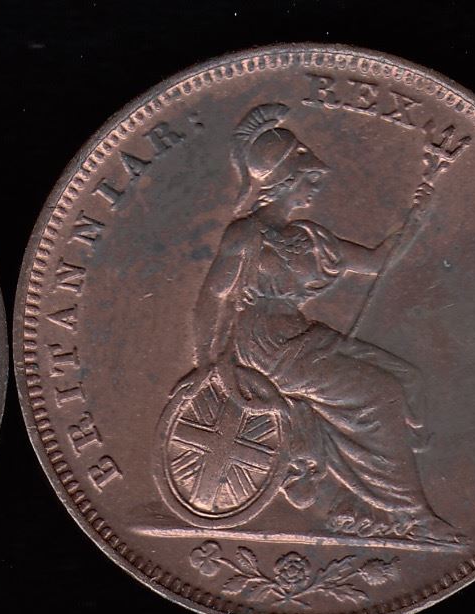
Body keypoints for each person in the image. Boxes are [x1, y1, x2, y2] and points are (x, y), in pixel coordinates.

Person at [186, 103, 456, 543]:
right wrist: (210, 364)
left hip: (301, 336)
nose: (313, 189)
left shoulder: (308, 238)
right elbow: (211, 299)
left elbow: (376, 263)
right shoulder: (246, 235)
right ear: (284, 180)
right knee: (380, 392)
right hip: (267, 348)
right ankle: (409, 513)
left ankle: (380, 479)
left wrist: (415, 218)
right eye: (308, 180)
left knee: (407, 377)